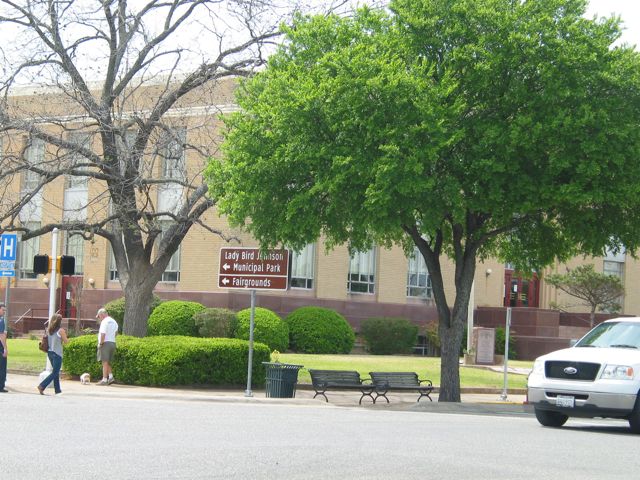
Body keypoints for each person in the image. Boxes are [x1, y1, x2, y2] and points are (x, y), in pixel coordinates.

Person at [37, 313, 68, 395]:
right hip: (57, 353)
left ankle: (57, 390)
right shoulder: (60, 330)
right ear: (59, 321)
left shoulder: (48, 330)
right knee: (55, 372)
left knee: (56, 372)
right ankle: (42, 385)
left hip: (50, 353)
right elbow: (66, 342)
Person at [96, 308, 118, 385]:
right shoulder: (114, 321)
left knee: (104, 362)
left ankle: (104, 380)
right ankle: (111, 377)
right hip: (112, 342)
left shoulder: (104, 322)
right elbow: (116, 333)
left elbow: (103, 334)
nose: (99, 318)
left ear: (102, 315)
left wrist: (101, 343)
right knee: (108, 361)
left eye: (99, 316)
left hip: (105, 343)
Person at [0, 303, 7, 393]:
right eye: (3, 310)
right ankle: (1, 386)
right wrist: (5, 348)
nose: (4, 312)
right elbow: (1, 335)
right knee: (2, 367)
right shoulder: (1, 320)